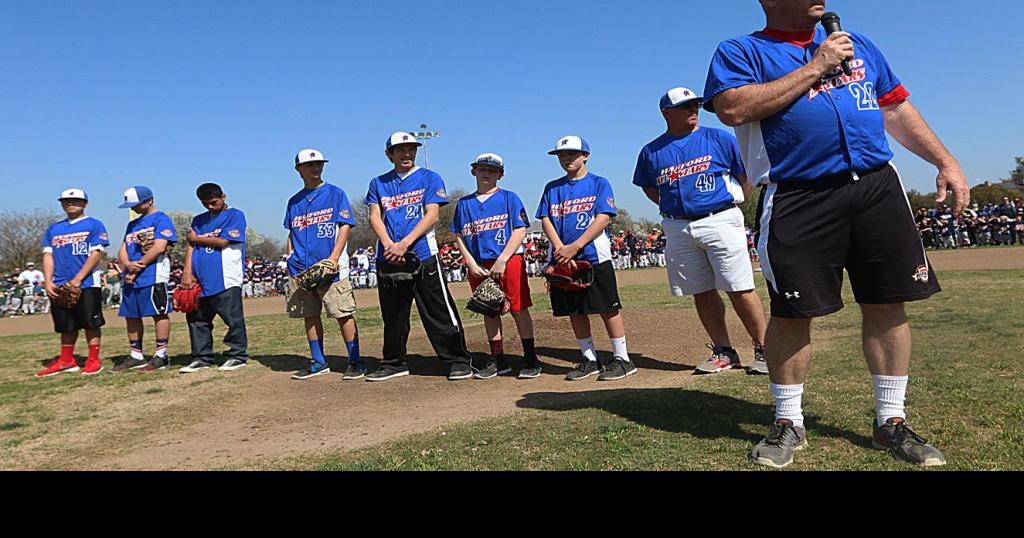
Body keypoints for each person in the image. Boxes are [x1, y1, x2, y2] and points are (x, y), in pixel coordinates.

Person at [704, 0, 970, 467]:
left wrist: (944, 160)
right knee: (791, 311)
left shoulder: (859, 45)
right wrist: (817, 66)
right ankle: (788, 421)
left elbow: (895, 108)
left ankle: (891, 422)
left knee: (888, 302)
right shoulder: (741, 50)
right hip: (799, 194)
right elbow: (733, 109)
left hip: (875, 186)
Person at [633, 86, 769, 375]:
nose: (693, 109)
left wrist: (732, 203)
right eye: (686, 106)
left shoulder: (718, 137)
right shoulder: (651, 151)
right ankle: (723, 351)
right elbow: (650, 188)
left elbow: (745, 176)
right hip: (679, 225)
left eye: (695, 105)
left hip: (719, 218)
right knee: (701, 291)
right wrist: (677, 208)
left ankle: (765, 349)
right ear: (666, 113)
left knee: (740, 287)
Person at [364, 132, 474, 382]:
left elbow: (432, 215)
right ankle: (394, 362)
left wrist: (404, 243)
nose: (407, 153)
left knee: (437, 311)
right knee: (393, 315)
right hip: (389, 257)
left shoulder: (428, 177)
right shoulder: (378, 183)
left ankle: (457, 359)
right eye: (400, 149)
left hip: (422, 253)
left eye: (411, 149)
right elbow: (374, 216)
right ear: (388, 154)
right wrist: (389, 244)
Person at [537, 135, 636, 381]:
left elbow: (603, 217)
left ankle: (622, 358)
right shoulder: (552, 187)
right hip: (562, 259)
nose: (566, 158)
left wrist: (576, 246)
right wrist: (561, 248)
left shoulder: (599, 183)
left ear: (586, 156)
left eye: (572, 153)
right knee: (575, 310)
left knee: (607, 308)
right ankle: (589, 358)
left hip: (593, 256)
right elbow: (546, 219)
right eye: (562, 155)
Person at [450, 153, 543, 379]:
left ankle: (530, 358)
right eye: (481, 169)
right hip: (479, 264)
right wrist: (469, 262)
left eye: (491, 170)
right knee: (488, 308)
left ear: (500, 175)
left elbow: (520, 229)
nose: (486, 173)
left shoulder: (509, 198)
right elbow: (460, 235)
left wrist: (503, 259)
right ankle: (498, 359)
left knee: (518, 309)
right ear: (473, 172)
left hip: (508, 260)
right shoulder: (464, 204)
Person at [284, 149, 364, 380]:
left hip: (332, 267)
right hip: (301, 268)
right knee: (309, 314)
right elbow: (292, 232)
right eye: (310, 165)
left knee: (342, 313)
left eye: (319, 164)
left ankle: (355, 361)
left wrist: (333, 259)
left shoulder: (335, 193)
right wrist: (290, 258)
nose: (315, 168)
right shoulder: (294, 201)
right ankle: (318, 361)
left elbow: (345, 226)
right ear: (299, 169)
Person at [35, 189, 110, 377]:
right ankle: (67, 360)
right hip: (59, 283)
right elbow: (48, 255)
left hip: (86, 283)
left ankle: (93, 360)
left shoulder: (94, 224)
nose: (71, 203)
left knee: (90, 323)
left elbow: (97, 253)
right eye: (67, 201)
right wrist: (48, 281)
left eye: (76, 200)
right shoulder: (54, 229)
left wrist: (78, 279)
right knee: (66, 324)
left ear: (85, 203)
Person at [179, 183, 250, 373]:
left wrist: (196, 239)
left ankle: (237, 355)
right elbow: (190, 246)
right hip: (199, 279)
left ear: (223, 196)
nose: (210, 207)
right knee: (197, 319)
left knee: (233, 319)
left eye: (213, 202)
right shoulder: (199, 220)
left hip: (226, 277)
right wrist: (187, 271)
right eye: (205, 203)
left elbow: (223, 241)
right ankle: (202, 357)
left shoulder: (235, 215)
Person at [114, 186, 178, 372]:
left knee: (158, 313)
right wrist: (127, 264)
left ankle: (161, 355)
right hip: (131, 276)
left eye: (137, 204)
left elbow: (159, 247)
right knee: (131, 314)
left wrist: (138, 266)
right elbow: (123, 248)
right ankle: (136, 355)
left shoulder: (161, 219)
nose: (133, 208)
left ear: (149, 200)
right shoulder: (132, 224)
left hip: (153, 273)